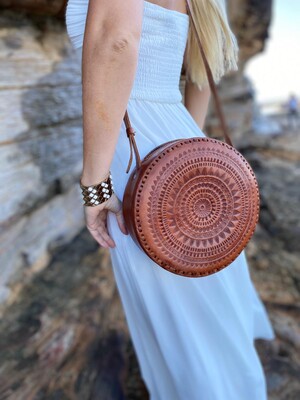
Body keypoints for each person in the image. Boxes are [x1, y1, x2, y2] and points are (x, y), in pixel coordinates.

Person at [65, 1, 276, 399]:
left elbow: (116, 40)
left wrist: (95, 183)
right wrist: (186, 155)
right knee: (198, 313)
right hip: (173, 142)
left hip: (135, 156)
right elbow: (203, 70)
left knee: (179, 321)